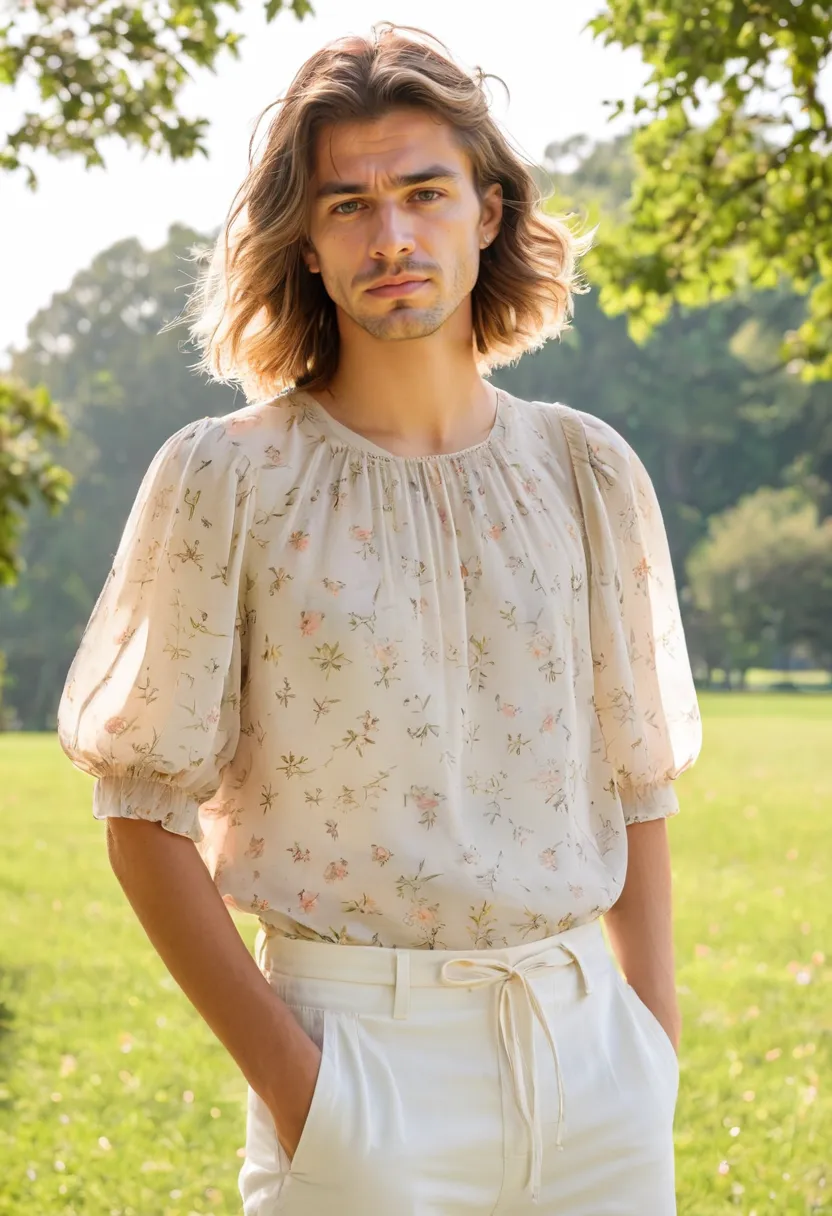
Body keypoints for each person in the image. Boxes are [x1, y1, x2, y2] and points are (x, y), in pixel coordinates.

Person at [57, 23, 702, 1215]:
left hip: (595, 1071)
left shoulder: (585, 468)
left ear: (489, 212)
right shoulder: (227, 480)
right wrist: (307, 1095)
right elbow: (141, 813)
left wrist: (648, 1049)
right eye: (348, 205)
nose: (392, 235)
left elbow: (634, 781)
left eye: (422, 192)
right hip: (357, 1067)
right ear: (305, 242)